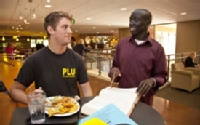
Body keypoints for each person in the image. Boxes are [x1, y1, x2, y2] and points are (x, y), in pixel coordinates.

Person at [10, 11, 93, 104]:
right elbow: (15, 89)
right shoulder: (34, 60)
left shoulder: (77, 59)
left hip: (73, 114)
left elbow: (86, 90)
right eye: (65, 27)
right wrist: (28, 99)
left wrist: (88, 109)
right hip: (47, 115)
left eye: (70, 27)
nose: (70, 31)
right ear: (51, 30)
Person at [109, 9, 167, 106]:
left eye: (136, 20)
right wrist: (114, 71)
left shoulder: (157, 49)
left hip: (143, 101)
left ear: (147, 23)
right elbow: (115, 65)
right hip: (121, 98)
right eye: (130, 20)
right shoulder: (122, 44)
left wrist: (152, 81)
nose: (131, 23)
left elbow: (162, 76)